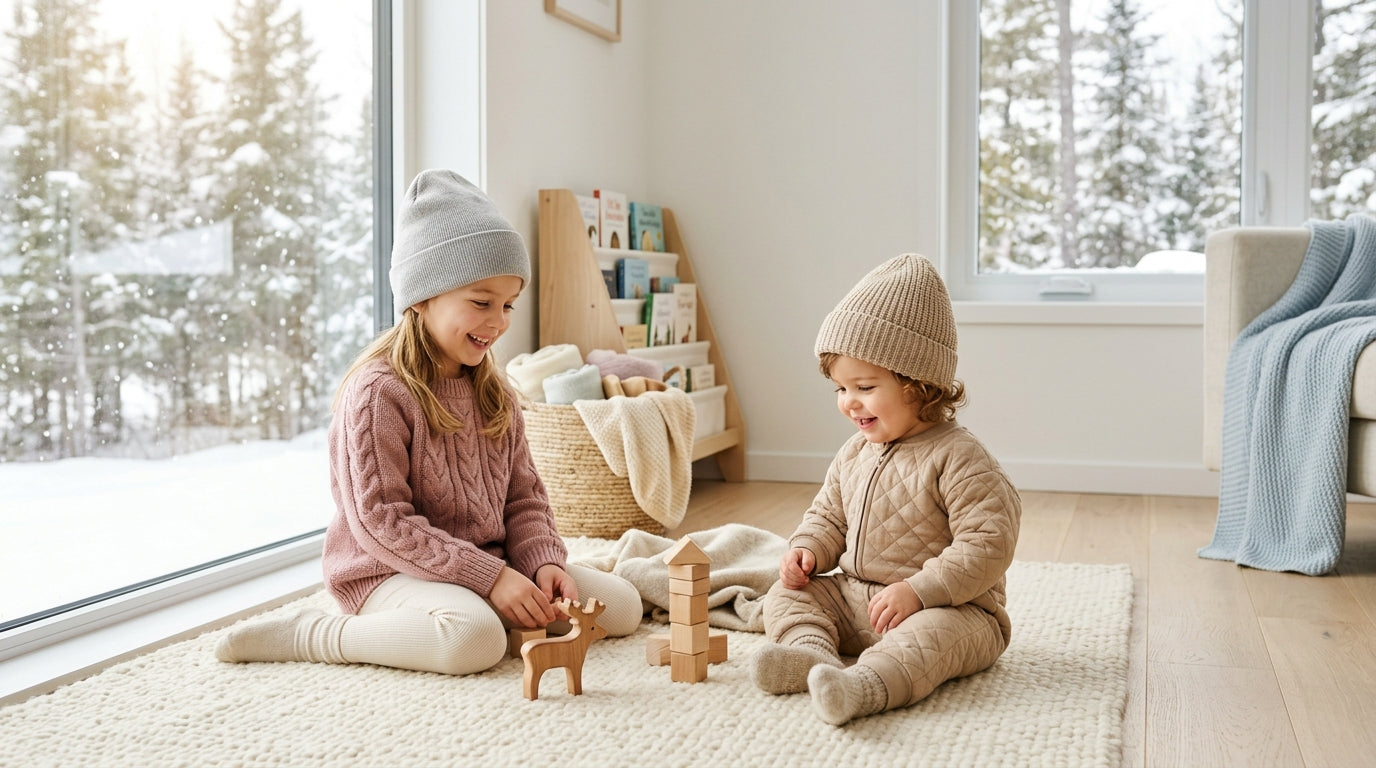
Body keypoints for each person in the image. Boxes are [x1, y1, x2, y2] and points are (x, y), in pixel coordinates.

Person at [215, 170, 642, 675]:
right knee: (473, 640)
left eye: (507, 305)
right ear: (421, 297)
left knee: (621, 607)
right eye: (481, 303)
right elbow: (382, 522)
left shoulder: (494, 391)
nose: (499, 321)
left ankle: (486, 604)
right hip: (387, 570)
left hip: (485, 563)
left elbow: (524, 498)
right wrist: (490, 579)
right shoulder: (379, 392)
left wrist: (541, 561)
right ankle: (318, 633)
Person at [749, 253, 1021, 726]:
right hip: (858, 596)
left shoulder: (960, 458)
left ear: (920, 385)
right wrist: (807, 549)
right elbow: (828, 515)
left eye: (865, 386)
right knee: (787, 595)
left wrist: (919, 591)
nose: (849, 402)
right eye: (839, 389)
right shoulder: (855, 452)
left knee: (933, 639)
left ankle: (863, 687)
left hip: (948, 608)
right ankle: (810, 655)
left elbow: (988, 544)